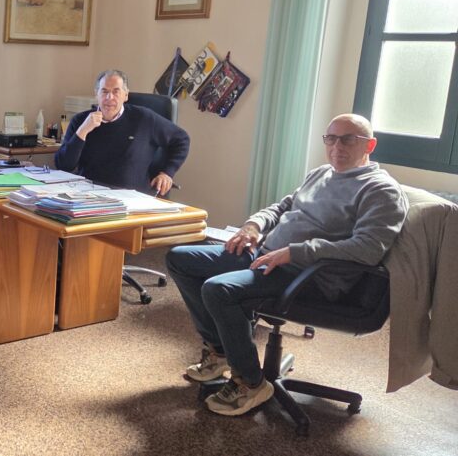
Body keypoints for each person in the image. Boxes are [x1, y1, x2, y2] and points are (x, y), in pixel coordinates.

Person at [166, 114, 408, 417]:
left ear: (370, 145)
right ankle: (221, 352)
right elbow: (283, 207)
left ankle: (251, 383)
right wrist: (254, 225)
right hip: (268, 254)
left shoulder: (382, 191)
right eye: (331, 139)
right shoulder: (322, 173)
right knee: (180, 259)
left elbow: (367, 249)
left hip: (308, 276)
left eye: (348, 139)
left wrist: (294, 253)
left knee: (218, 290)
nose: (337, 147)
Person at [55, 69, 190, 195]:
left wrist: (167, 173)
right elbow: (63, 166)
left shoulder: (144, 118)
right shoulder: (80, 121)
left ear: (125, 95)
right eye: (104, 91)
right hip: (88, 196)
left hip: (131, 198)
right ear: (96, 94)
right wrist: (83, 131)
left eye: (116, 92)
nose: (109, 97)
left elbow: (182, 139)